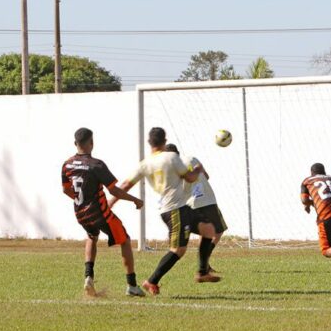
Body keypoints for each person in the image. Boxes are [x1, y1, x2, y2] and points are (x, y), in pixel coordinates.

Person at [109, 127, 220, 295]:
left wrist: (111, 201)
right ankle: (151, 281)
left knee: (209, 230)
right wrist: (198, 169)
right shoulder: (171, 157)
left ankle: (202, 272)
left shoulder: (145, 164)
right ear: (165, 141)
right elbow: (190, 178)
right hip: (174, 210)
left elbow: (125, 184)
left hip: (181, 208)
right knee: (178, 250)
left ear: (149, 142)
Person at [61, 127, 145, 297]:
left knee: (92, 236)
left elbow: (66, 190)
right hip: (99, 213)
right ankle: (132, 285)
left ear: (75, 143)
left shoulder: (67, 164)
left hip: (80, 213)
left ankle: (88, 276)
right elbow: (113, 190)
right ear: (92, 143)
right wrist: (134, 200)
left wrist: (81, 201)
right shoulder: (96, 165)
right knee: (125, 240)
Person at [165, 143, 227, 273]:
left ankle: (204, 264)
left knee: (205, 232)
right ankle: (204, 262)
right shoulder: (191, 159)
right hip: (207, 201)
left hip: (190, 204)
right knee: (217, 232)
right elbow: (207, 176)